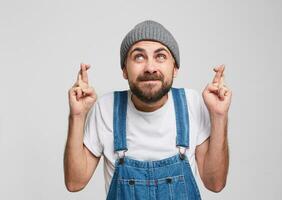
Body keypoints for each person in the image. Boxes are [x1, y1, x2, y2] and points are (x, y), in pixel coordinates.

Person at [64, 20, 232, 199]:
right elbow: (75, 182)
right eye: (139, 57)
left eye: (160, 56)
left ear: (174, 68)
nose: (150, 68)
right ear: (124, 70)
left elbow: (215, 183)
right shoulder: (107, 108)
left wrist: (219, 116)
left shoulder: (191, 103)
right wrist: (77, 115)